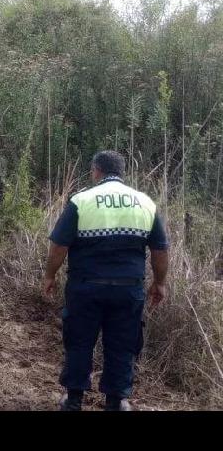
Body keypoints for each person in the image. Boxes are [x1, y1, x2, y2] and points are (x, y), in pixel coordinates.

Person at [43, 150, 170, 411]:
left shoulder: (82, 200)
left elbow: (59, 245)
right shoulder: (145, 203)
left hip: (85, 287)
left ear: (96, 170)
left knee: (79, 341)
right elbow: (160, 249)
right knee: (123, 344)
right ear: (122, 172)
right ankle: (117, 400)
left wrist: (50, 275)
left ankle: (74, 398)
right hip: (128, 290)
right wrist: (159, 282)